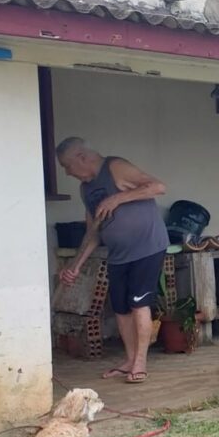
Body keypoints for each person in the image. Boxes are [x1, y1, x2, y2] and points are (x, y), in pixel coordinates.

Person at [57, 137, 169, 383]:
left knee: (139, 303)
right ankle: (129, 360)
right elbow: (93, 232)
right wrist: (75, 266)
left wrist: (117, 198)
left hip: (147, 246)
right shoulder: (85, 190)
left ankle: (140, 363)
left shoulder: (115, 167)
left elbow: (158, 187)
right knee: (120, 308)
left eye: (67, 166)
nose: (67, 173)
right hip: (118, 255)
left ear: (82, 158)